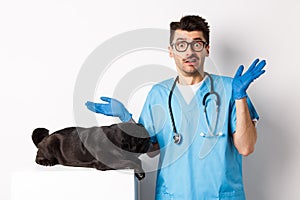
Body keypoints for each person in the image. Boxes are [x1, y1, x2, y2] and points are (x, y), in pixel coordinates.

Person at [85, 15, 266, 200]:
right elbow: (150, 149)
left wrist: (240, 97)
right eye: (181, 45)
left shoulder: (230, 89)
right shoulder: (159, 94)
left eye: (197, 44)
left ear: (207, 49)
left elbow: (246, 147)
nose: (189, 53)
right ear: (171, 51)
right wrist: (126, 119)